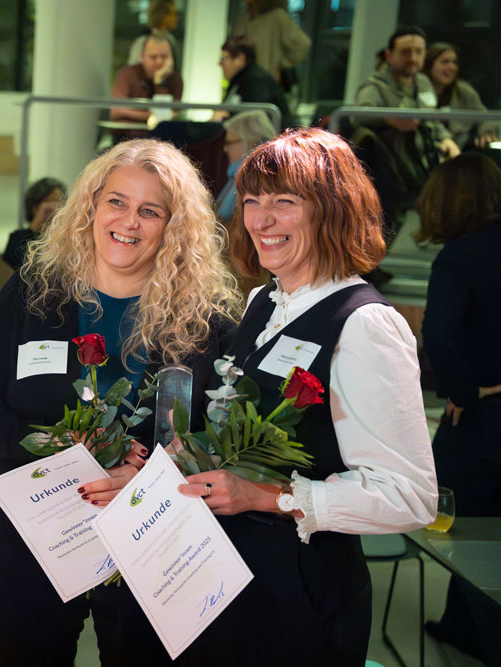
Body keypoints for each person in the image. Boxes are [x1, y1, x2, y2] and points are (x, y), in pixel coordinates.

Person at [0, 139, 241, 666]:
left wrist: (153, 475)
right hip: (35, 533)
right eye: (116, 201)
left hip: (153, 531)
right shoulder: (33, 292)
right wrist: (56, 449)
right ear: (90, 205)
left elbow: (223, 441)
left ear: (174, 226)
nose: (129, 222)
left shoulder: (207, 322)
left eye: (150, 210)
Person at [175, 127, 438, 666]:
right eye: (251, 202)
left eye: (284, 203)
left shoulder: (365, 324)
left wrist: (265, 498)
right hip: (231, 576)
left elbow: (409, 496)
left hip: (304, 593)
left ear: (333, 210)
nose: (261, 220)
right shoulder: (261, 303)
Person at [417, 154, 501, 663]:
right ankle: (460, 626)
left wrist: (463, 393)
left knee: (467, 534)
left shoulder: (459, 256)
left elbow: (441, 335)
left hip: (482, 418)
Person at [354, 26, 460, 186]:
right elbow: (358, 116)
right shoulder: (374, 87)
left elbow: (432, 117)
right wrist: (388, 119)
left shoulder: (423, 82)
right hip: (394, 170)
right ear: (389, 55)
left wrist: (445, 138)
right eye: (405, 52)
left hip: (426, 160)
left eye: (419, 52)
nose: (413, 58)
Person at [423, 42, 500, 151]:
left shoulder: (463, 91)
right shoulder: (418, 88)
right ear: (429, 64)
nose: (452, 67)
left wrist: (487, 131)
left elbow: (485, 117)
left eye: (454, 62)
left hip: (460, 151)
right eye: (445, 62)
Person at [216, 36, 295, 129]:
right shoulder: (239, 79)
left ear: (240, 59)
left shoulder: (255, 79)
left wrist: (226, 114)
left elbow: (256, 119)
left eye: (223, 58)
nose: (219, 64)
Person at [231, 0, 311, 88]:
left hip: (267, 81)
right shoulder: (245, 20)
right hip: (245, 79)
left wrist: (281, 64)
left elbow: (303, 44)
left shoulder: (277, 17)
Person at [216, 110, 277, 220]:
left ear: (248, 140)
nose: (225, 149)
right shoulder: (245, 171)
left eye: (228, 143)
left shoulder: (252, 174)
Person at [110, 34, 183, 125]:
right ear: (142, 57)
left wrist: (160, 83)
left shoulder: (175, 80)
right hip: (129, 136)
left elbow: (168, 117)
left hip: (161, 137)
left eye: (164, 57)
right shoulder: (127, 74)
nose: (159, 62)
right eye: (153, 57)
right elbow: (117, 111)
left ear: (172, 59)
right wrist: (150, 117)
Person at [2, 176, 65, 271]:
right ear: (34, 208)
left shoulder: (65, 236)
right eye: (49, 201)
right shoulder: (18, 238)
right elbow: (15, 260)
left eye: (59, 201)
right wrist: (39, 217)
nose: (55, 207)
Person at [126, 0, 181, 72]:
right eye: (174, 14)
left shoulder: (171, 40)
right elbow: (133, 73)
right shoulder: (142, 42)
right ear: (162, 15)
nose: (177, 17)